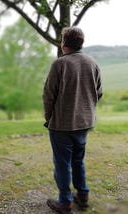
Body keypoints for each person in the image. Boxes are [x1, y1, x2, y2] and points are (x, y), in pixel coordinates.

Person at [43, 26, 103, 214]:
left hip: (62, 124)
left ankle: (65, 203)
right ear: (80, 43)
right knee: (78, 160)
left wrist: (49, 116)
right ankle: (83, 196)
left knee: (63, 164)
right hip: (84, 123)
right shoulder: (93, 63)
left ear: (64, 43)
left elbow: (48, 95)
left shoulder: (59, 64)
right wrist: (86, 109)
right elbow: (99, 92)